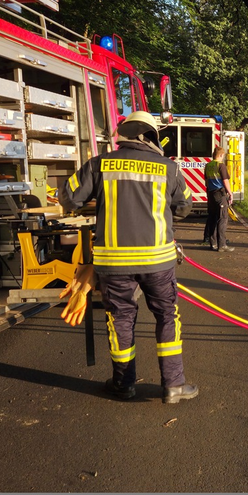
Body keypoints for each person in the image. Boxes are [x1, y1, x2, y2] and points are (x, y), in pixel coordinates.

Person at [59, 111, 196, 404]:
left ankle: (124, 384)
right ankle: (173, 384)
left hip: (113, 263)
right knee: (166, 316)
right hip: (158, 260)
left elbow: (68, 198)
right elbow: (184, 207)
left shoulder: (99, 164)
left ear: (124, 136)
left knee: (120, 318)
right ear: (151, 137)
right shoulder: (168, 168)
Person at [204, 145, 234, 252]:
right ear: (221, 155)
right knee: (222, 218)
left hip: (211, 194)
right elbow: (225, 181)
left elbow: (206, 182)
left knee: (212, 218)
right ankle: (222, 245)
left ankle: (213, 244)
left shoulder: (208, 166)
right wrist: (230, 193)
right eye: (223, 156)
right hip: (220, 194)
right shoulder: (221, 165)